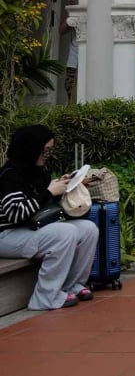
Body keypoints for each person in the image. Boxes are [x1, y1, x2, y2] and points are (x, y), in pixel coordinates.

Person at [0, 125, 99, 310]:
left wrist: (64, 186)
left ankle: (73, 286)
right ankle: (45, 298)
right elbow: (16, 213)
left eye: (50, 150)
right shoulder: (9, 176)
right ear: (30, 149)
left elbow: (42, 206)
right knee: (65, 232)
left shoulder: (38, 173)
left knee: (88, 229)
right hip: (6, 234)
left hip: (29, 229)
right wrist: (48, 192)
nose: (47, 155)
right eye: (44, 150)